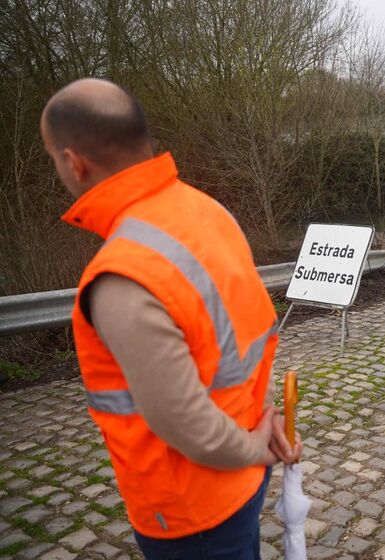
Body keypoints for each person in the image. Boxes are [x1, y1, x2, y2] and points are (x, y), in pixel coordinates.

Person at [41, 78, 302, 559]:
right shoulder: (208, 212)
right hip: (242, 478)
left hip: (190, 510)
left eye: (54, 158)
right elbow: (244, 344)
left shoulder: (122, 274)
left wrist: (255, 448)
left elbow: (186, 424)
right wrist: (264, 431)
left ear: (74, 162)